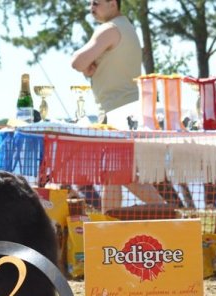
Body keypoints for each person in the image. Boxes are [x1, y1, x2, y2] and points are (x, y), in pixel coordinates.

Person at [70, 0, 164, 212]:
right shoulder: (126, 26)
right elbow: (87, 65)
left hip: (117, 112)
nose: (91, 7)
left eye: (96, 3)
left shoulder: (109, 29)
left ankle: (166, 211)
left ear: (113, 3)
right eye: (90, 3)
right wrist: (90, 67)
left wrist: (86, 66)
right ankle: (109, 223)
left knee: (121, 173)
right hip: (127, 109)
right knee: (113, 173)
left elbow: (76, 62)